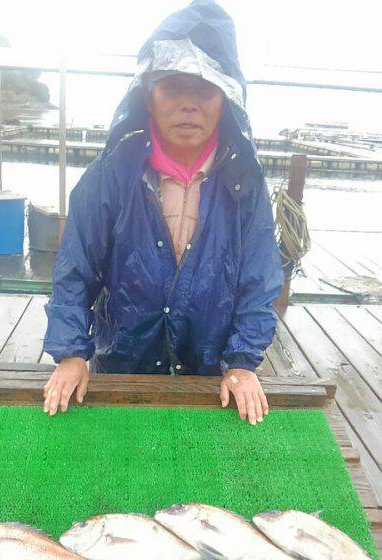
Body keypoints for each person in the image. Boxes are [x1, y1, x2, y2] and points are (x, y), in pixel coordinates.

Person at [43, 0, 283, 424]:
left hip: (212, 378)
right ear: (148, 96)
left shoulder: (246, 184)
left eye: (205, 89)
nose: (189, 105)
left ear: (225, 99)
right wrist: (70, 353)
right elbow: (75, 270)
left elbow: (260, 281)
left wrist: (243, 362)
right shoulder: (110, 174)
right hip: (123, 366)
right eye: (173, 86)